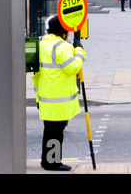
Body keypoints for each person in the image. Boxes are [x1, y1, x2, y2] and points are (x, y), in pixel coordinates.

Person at [32, 15, 86, 171]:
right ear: (62, 31)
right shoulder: (61, 46)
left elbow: (36, 75)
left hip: (46, 98)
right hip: (59, 100)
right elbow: (73, 67)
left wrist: (37, 97)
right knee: (56, 132)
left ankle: (48, 161)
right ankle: (52, 163)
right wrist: (80, 52)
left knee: (50, 131)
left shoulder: (41, 44)